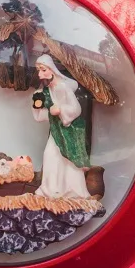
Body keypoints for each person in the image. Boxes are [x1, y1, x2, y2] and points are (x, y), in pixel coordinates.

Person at [32, 54, 91, 199]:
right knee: (50, 156)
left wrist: (60, 110)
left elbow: (76, 109)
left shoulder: (63, 87)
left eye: (43, 70)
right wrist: (36, 105)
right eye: (38, 70)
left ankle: (74, 191)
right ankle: (50, 190)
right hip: (56, 130)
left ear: (52, 70)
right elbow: (42, 116)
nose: (40, 74)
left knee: (69, 161)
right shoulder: (47, 91)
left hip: (69, 130)